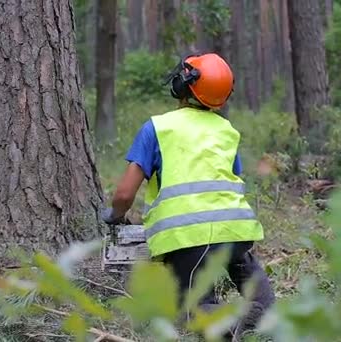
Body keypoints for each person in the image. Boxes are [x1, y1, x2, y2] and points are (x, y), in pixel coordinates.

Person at [101, 52, 276, 336]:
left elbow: (123, 195)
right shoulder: (227, 130)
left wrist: (115, 216)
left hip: (186, 237)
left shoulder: (157, 128)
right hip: (235, 229)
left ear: (183, 85)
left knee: (194, 306)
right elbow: (232, 178)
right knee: (256, 293)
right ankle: (263, 316)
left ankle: (223, 325)